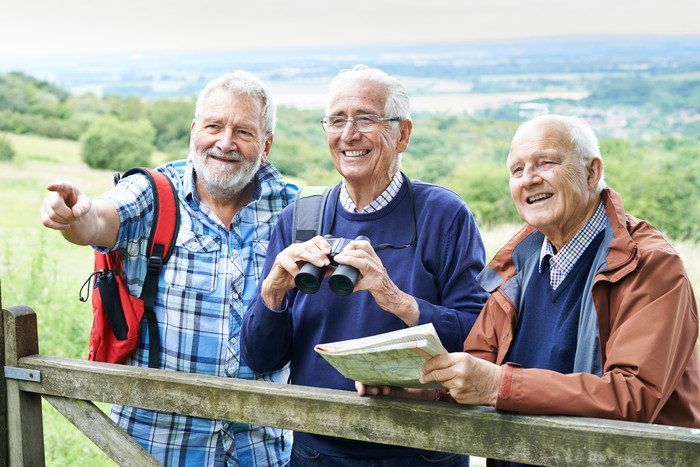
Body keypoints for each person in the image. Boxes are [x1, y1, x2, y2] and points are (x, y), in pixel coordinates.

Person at [358, 114, 700, 465]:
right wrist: (424, 392)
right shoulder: (514, 266)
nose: (529, 179)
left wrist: (499, 386)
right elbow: (481, 367)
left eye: (545, 163)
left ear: (592, 172)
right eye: (517, 170)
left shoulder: (650, 265)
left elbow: (634, 397)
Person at [40, 71, 298, 466]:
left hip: (260, 448)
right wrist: (76, 215)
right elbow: (100, 221)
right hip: (158, 446)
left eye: (244, 132)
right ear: (195, 130)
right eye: (214, 126)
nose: (225, 143)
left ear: (266, 146)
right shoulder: (154, 192)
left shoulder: (294, 209)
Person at [241, 64, 489, 466]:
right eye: (336, 120)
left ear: (403, 134)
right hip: (318, 451)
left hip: (420, 453)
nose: (348, 134)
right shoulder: (300, 219)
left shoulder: (442, 215)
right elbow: (260, 359)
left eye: (366, 119)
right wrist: (271, 293)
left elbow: (480, 339)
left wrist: (395, 299)